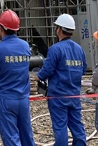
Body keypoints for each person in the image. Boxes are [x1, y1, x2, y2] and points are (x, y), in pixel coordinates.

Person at [0, 9, 36, 146]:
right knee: (27, 136)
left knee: (11, 139)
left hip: (6, 99)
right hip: (23, 98)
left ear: (1, 28)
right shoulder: (25, 46)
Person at [36, 14, 87, 146]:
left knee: (60, 128)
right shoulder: (79, 49)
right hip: (74, 94)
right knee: (77, 125)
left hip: (58, 96)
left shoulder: (55, 49)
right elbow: (83, 70)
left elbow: (47, 71)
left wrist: (38, 76)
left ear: (59, 29)